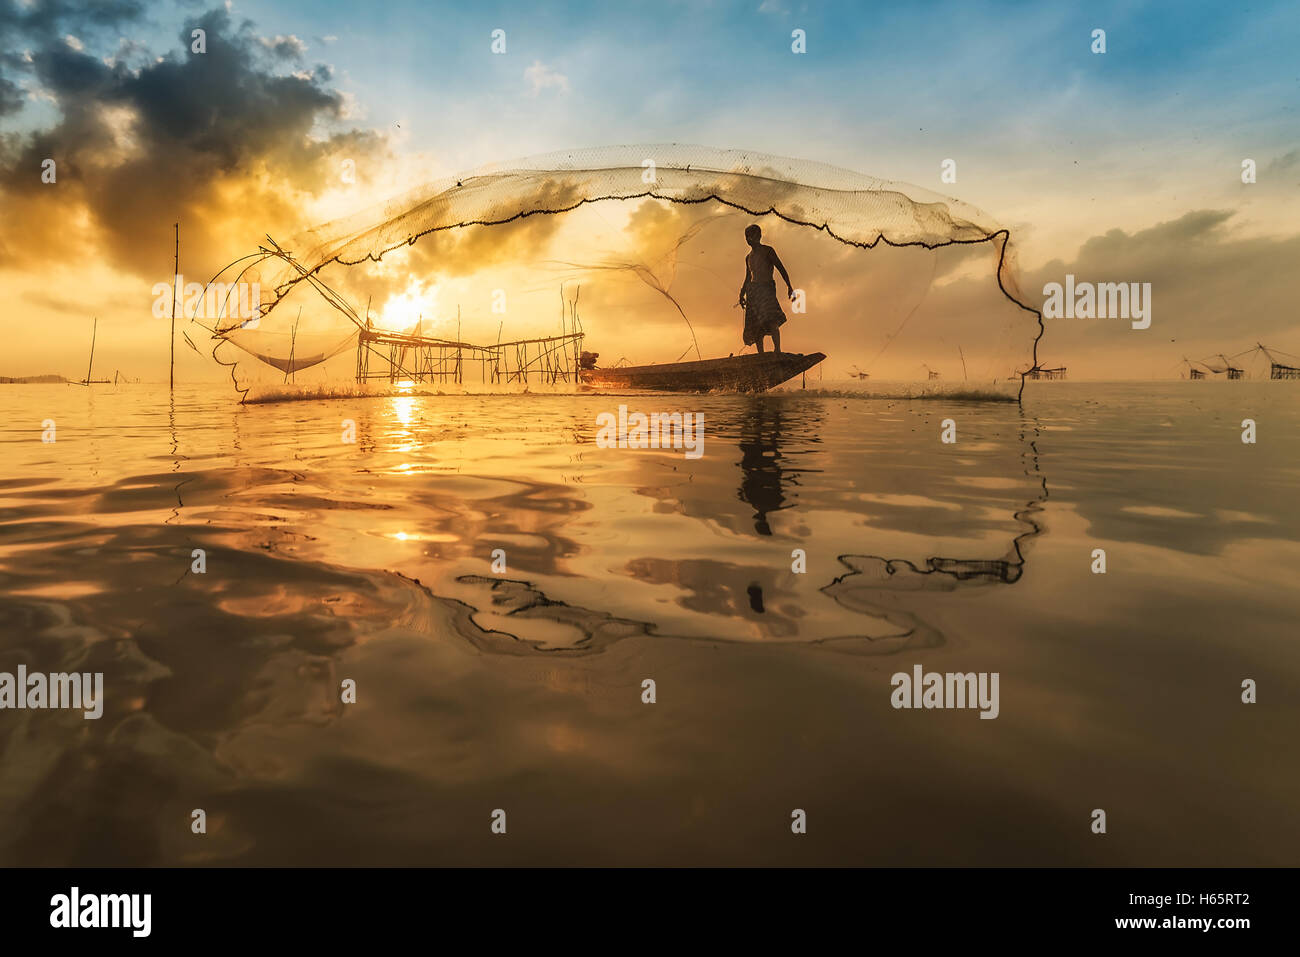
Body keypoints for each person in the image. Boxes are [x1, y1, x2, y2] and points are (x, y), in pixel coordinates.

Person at [737, 224, 793, 354]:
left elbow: (781, 268)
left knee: (771, 319)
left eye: (751, 236)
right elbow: (747, 277)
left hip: (766, 288)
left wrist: (789, 286)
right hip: (753, 292)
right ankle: (760, 354)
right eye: (746, 237)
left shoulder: (768, 251)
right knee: (756, 325)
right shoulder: (748, 257)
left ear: (758, 236)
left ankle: (777, 350)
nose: (748, 239)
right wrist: (741, 294)